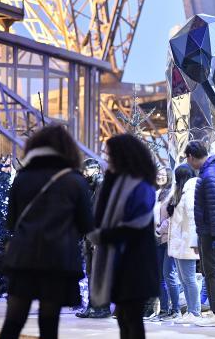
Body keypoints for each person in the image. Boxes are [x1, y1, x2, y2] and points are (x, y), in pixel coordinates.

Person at [0, 125, 94, 339]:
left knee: (14, 320)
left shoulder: (22, 178)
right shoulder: (75, 181)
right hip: (58, 260)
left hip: (23, 258)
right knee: (49, 323)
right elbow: (86, 225)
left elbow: (12, 222)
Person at [86, 134, 159, 339]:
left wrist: (102, 236)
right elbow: (98, 215)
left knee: (132, 319)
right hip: (115, 262)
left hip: (135, 261)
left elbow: (135, 225)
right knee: (123, 319)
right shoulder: (113, 182)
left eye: (111, 154)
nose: (107, 159)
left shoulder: (142, 186)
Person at [184, 141, 215, 327]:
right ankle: (214, 312)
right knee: (209, 272)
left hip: (212, 232)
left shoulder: (210, 174)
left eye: (188, 159)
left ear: (191, 156)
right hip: (210, 231)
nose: (188, 163)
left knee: (213, 272)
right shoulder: (209, 172)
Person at [162, 164, 201, 324]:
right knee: (183, 279)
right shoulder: (178, 193)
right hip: (178, 243)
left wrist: (194, 242)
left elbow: (193, 220)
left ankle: (195, 311)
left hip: (186, 242)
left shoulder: (190, 192)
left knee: (189, 278)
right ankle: (190, 311)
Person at [76, 158, 111, 319]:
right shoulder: (89, 186)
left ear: (96, 169)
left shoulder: (101, 184)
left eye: (87, 170)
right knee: (91, 272)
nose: (84, 173)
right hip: (88, 235)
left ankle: (102, 308)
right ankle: (92, 306)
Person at [149, 167, 181, 321]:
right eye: (158, 174)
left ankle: (176, 310)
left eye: (163, 174)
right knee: (160, 277)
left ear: (169, 176)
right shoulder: (156, 194)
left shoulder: (171, 195)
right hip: (156, 240)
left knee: (169, 275)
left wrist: (159, 230)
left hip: (168, 239)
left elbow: (172, 218)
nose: (160, 176)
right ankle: (163, 310)